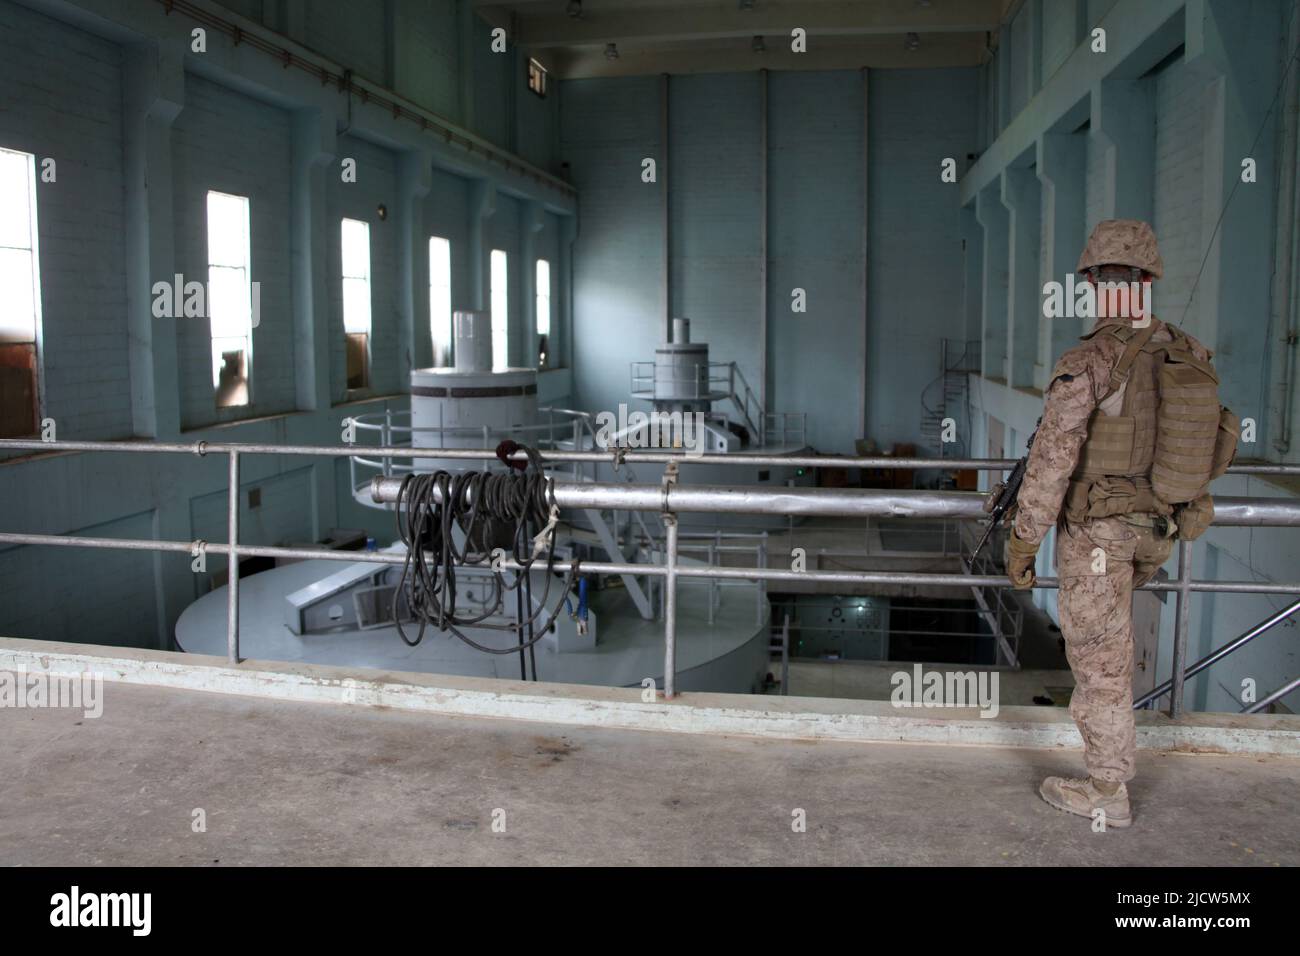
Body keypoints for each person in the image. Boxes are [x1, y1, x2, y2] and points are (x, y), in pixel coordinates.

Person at [1005, 219, 1218, 828]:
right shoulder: (1188, 351)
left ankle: (1107, 792)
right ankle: (1109, 776)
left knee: (1100, 661)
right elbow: (1204, 450)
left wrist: (1023, 542)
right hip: (1156, 529)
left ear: (1095, 282)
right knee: (1115, 651)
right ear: (1149, 279)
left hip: (1098, 534)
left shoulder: (1090, 360)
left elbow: (1052, 461)